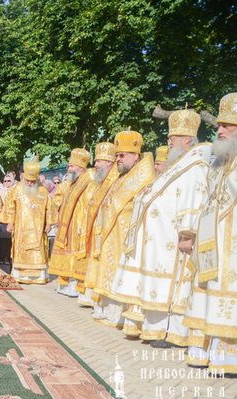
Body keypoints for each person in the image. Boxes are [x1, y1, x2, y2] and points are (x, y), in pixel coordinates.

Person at [111, 109, 210, 346]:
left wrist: (188, 233)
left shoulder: (196, 165)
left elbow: (194, 199)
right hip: (160, 241)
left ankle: (173, 333)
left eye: (171, 140)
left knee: (175, 286)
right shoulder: (181, 163)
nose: (168, 143)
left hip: (176, 240)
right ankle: (156, 329)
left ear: (186, 140)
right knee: (160, 286)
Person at [183, 93, 237, 375]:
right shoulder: (219, 163)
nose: (219, 130)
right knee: (208, 294)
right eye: (220, 125)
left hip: (232, 251)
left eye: (226, 125)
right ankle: (208, 353)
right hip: (211, 247)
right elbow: (206, 202)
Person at [90, 129, 156, 327]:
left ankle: (120, 314)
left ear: (136, 156)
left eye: (121, 155)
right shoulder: (121, 176)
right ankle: (107, 310)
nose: (117, 159)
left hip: (127, 236)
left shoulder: (145, 178)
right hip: (112, 234)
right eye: (117, 155)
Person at [48, 148, 94, 297]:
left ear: (80, 168)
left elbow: (88, 205)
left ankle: (74, 285)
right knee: (66, 254)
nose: (68, 169)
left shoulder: (88, 181)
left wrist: (82, 224)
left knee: (75, 255)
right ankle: (65, 283)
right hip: (68, 225)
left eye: (71, 166)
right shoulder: (73, 183)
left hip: (77, 225)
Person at [78, 142, 119, 307]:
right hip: (95, 228)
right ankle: (91, 296)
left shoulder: (114, 180)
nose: (95, 165)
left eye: (98, 162)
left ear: (109, 163)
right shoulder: (100, 181)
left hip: (106, 230)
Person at [0, 160, 51, 283]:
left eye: (32, 181)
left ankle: (38, 277)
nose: (29, 183)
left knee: (37, 251)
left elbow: (50, 207)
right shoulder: (16, 189)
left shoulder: (43, 190)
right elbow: (10, 206)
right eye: (27, 180)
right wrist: (10, 222)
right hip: (21, 227)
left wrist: (49, 223)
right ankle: (21, 276)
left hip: (39, 228)